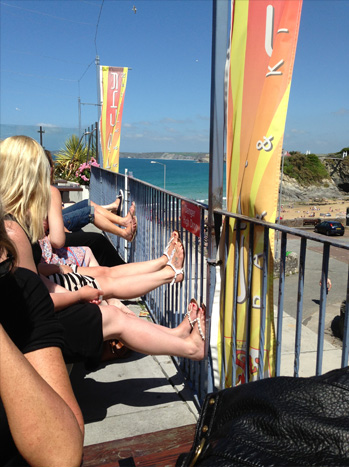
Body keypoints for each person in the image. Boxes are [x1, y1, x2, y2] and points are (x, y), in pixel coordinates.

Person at [0, 135, 206, 370]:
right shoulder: (13, 232)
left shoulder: (10, 223)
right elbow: (35, 300)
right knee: (112, 311)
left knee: (105, 278)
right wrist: (78, 296)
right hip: (31, 331)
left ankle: (173, 305)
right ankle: (191, 346)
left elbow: (32, 285)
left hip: (27, 319)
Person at [0, 202, 84, 466]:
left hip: (49, 294)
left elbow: (63, 454)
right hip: (57, 293)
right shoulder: (19, 228)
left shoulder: (17, 288)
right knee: (109, 312)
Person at [45, 150, 137, 241]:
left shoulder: (42, 186)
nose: (52, 168)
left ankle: (123, 221)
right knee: (90, 212)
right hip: (52, 224)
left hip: (55, 218)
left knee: (87, 203)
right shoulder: (44, 188)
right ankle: (125, 234)